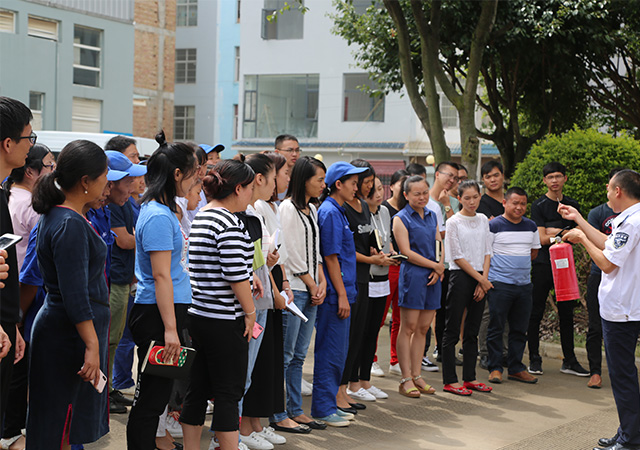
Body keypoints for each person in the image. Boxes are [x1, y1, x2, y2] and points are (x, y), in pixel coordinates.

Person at [26, 140, 112, 448]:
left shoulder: (65, 216)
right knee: (61, 419)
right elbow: (75, 294)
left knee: (60, 417)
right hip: (69, 334)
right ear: (86, 181)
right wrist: (92, 344)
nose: (107, 183)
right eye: (104, 176)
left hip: (67, 329)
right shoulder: (69, 223)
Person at [126, 131, 198, 450]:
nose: (195, 181)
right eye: (193, 174)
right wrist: (170, 330)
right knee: (150, 400)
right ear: (177, 174)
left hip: (165, 310)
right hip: (158, 314)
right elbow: (160, 276)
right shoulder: (157, 215)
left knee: (156, 398)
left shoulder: (162, 210)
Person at [559, 169, 640, 450]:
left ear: (618, 191)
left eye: (608, 189)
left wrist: (582, 239)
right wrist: (579, 220)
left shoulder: (632, 222)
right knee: (623, 374)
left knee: (622, 375)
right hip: (625, 306)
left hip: (623, 309)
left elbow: (607, 263)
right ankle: (628, 431)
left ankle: (630, 440)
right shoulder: (629, 218)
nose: (607, 194)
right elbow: (608, 243)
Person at [179, 159, 257, 450]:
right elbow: (236, 276)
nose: (251, 194)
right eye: (250, 188)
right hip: (225, 318)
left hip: (199, 313)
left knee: (197, 389)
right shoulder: (229, 222)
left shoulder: (203, 215)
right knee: (228, 393)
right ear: (238, 189)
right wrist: (250, 312)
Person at [271, 156, 327, 433]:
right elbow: (290, 252)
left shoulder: (312, 209)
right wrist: (311, 282)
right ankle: (278, 412)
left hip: (312, 288)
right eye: (319, 179)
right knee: (286, 354)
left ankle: (295, 409)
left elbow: (315, 250)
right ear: (304, 180)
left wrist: (322, 280)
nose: (323, 185)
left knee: (299, 356)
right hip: (295, 289)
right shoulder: (287, 208)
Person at [312, 162, 367, 427]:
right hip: (336, 295)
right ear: (338, 184)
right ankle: (323, 408)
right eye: (353, 183)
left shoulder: (339, 210)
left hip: (344, 291)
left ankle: (330, 403)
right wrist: (342, 295)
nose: (357, 188)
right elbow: (331, 257)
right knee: (330, 353)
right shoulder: (330, 212)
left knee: (338, 353)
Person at [340, 160, 392, 409]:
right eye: (368, 183)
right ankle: (349, 385)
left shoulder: (365, 207)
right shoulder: (341, 208)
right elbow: (346, 249)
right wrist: (372, 258)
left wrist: (377, 253)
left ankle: (361, 382)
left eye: (375, 184)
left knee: (368, 331)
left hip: (372, 276)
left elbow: (369, 241)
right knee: (353, 335)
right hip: (355, 278)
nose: (372, 188)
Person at [528, 162, 588, 377]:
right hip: (543, 264)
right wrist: (563, 234)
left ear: (565, 178)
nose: (554, 180)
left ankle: (569, 360)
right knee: (536, 311)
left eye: (558, 176)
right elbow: (542, 239)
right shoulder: (539, 205)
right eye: (550, 177)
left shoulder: (572, 204)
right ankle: (534, 359)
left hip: (565, 265)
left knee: (566, 312)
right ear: (545, 180)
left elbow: (580, 233)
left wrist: (554, 232)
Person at [393, 175, 443, 398]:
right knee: (409, 327)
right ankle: (405, 378)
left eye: (425, 193)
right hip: (413, 275)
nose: (422, 197)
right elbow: (406, 252)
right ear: (406, 195)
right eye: (417, 194)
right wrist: (435, 266)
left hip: (433, 275)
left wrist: (439, 267)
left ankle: (417, 375)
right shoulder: (400, 218)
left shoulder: (432, 215)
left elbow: (439, 242)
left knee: (423, 328)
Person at [441, 181, 493, 395]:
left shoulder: (483, 219)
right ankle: (450, 380)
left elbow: (487, 251)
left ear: (480, 196)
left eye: (475, 197)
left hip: (480, 277)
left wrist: (483, 280)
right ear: (459, 199)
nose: (472, 202)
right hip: (460, 276)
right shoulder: (453, 221)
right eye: (467, 198)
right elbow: (456, 256)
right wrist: (481, 280)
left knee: (472, 331)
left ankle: (470, 378)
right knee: (452, 329)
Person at [486, 187, 540, 385]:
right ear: (505, 203)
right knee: (496, 328)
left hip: (524, 286)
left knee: (519, 329)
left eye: (523, 204)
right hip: (499, 285)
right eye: (515, 203)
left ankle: (516, 368)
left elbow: (533, 252)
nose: (519, 207)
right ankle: (495, 367)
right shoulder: (493, 225)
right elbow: (486, 254)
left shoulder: (531, 226)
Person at [0, 97, 31, 429]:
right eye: (28, 138)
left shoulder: (3, 192)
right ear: (8, 143)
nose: (30, 145)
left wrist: (12, 325)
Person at [583, 168, 623, 390]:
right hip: (600, 275)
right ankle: (595, 372)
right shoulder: (597, 213)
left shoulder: (631, 218)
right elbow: (597, 245)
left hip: (625, 279)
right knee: (596, 326)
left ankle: (622, 371)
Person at [357, 176, 394, 400]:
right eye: (373, 190)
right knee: (361, 331)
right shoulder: (360, 212)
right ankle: (355, 382)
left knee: (373, 331)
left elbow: (386, 241)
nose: (378, 194)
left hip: (383, 276)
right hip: (367, 276)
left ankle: (365, 381)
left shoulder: (385, 212)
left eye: (380, 188)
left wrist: (391, 254)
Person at [3, 143, 55, 270]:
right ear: (29, 172)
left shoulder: (10, 193)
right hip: (25, 275)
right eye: (49, 165)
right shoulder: (32, 205)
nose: (53, 171)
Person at [477, 160, 507, 370]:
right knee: (488, 312)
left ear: (503, 176)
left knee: (507, 312)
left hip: (509, 262)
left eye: (496, 175)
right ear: (483, 180)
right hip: (488, 262)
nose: (493, 179)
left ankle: (503, 353)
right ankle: (485, 353)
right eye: (488, 177)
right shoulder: (481, 203)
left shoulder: (511, 200)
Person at [429, 162, 460, 364]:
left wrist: (447, 205)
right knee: (430, 310)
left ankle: (445, 351)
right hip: (429, 264)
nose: (452, 180)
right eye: (449, 175)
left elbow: (457, 231)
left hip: (451, 265)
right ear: (437, 174)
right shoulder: (424, 200)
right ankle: (426, 352)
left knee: (449, 311)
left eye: (455, 178)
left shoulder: (454, 202)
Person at [381, 169, 408, 376]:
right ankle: (371, 359)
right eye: (402, 183)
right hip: (388, 266)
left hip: (407, 268)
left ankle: (395, 359)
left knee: (400, 317)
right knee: (380, 316)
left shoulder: (410, 210)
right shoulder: (384, 209)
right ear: (392, 186)